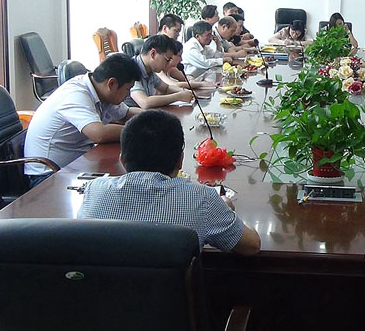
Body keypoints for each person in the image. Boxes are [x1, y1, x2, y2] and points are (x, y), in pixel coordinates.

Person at [78, 110, 261, 255]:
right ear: (180, 161)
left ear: (122, 160)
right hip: (171, 293)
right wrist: (224, 208)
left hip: (103, 292)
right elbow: (251, 245)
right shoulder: (202, 199)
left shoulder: (94, 191)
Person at [24, 53, 142, 187]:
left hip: (76, 166)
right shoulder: (76, 94)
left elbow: (127, 113)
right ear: (112, 83)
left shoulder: (103, 93)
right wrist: (139, 131)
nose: (128, 95)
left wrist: (156, 118)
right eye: (128, 89)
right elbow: (99, 133)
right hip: (48, 175)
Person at [127, 34, 193, 108]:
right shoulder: (132, 69)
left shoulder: (150, 69)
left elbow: (166, 88)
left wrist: (184, 91)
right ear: (153, 54)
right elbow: (145, 102)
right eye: (167, 60)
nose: (168, 64)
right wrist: (178, 96)